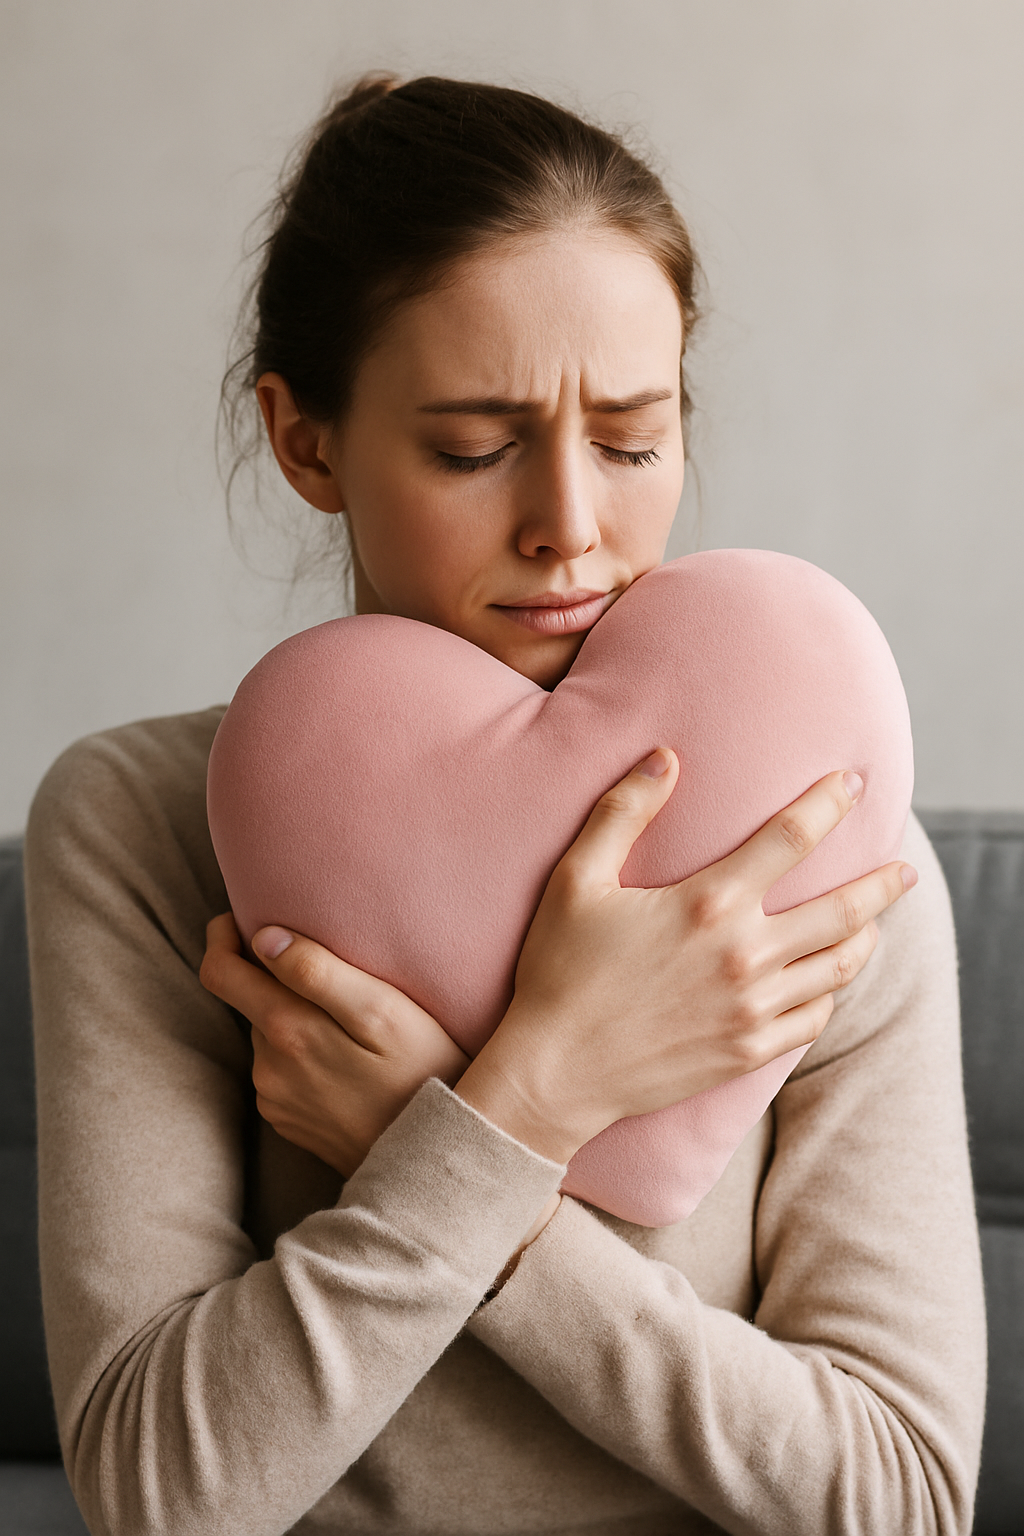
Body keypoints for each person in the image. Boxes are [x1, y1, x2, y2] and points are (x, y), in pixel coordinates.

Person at [24, 74, 985, 1536]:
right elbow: (162, 1495)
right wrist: (531, 1098)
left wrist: (444, 1145)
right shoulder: (142, 830)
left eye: (632, 438)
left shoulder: (819, 843)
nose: (571, 527)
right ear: (309, 442)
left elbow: (903, 1500)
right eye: (474, 448)